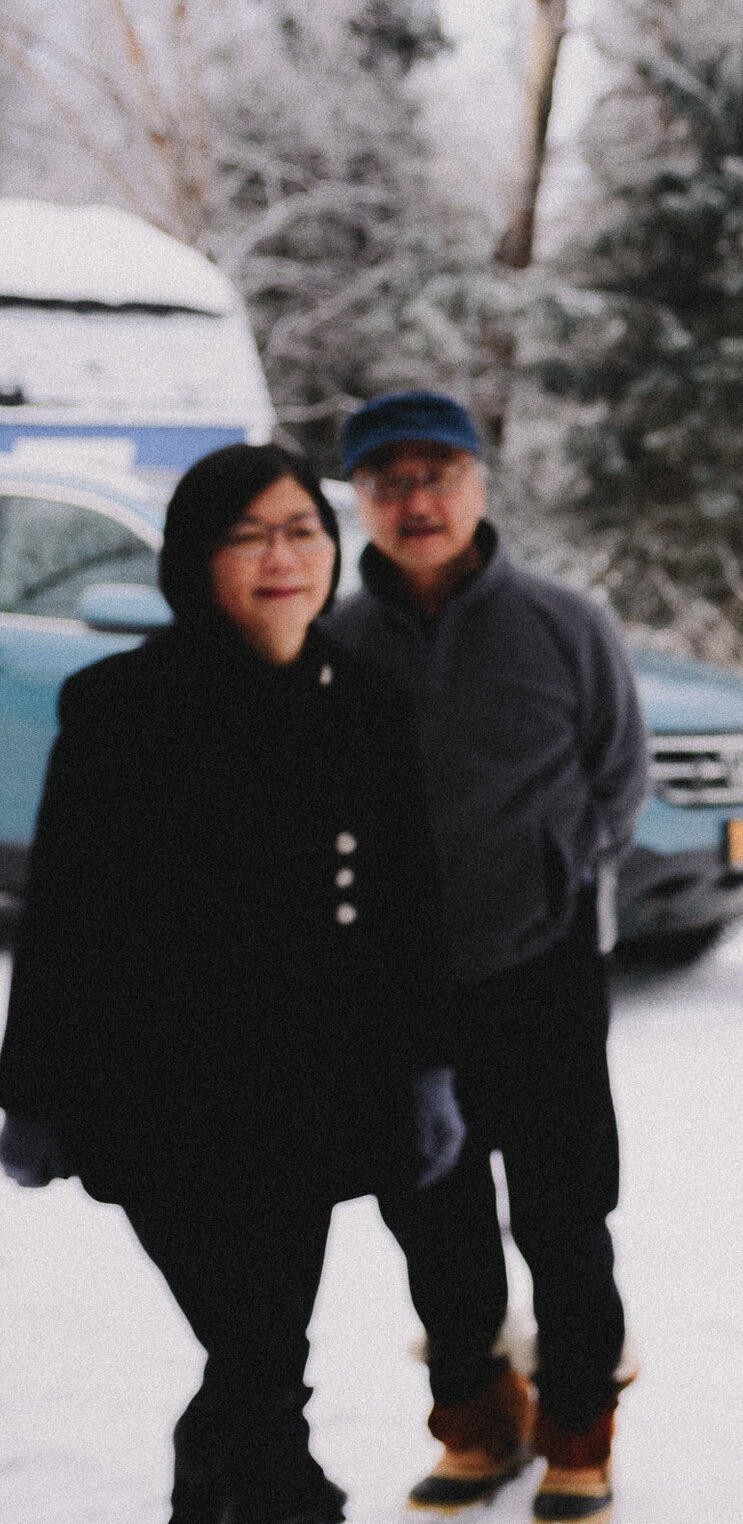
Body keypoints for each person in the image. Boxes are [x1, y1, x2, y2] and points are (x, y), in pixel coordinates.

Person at [0, 442, 460, 1524]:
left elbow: (408, 902)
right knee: (255, 1349)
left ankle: (229, 1492)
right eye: (247, 534)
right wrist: (27, 1089)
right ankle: (282, 1495)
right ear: (193, 557)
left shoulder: (369, 698)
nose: (281, 557)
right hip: (160, 1101)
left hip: (314, 1097)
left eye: (302, 529)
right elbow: (64, 913)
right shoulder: (121, 705)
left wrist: (431, 1064)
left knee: (261, 1351)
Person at [323, 391, 648, 1524]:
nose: (417, 500)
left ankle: (576, 1428)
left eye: (439, 474)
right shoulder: (334, 641)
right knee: (432, 1211)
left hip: (543, 971)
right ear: (359, 499)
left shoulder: (562, 624)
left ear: (479, 484)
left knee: (564, 1212)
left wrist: (558, 874)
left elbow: (617, 776)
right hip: (393, 990)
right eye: (388, 480)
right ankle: (475, 1415)